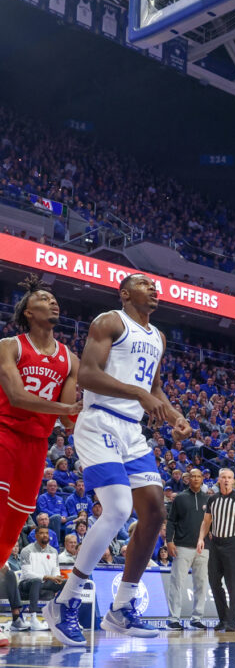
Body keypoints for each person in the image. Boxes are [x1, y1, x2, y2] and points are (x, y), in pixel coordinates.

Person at [47, 273, 191, 647]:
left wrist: (175, 417)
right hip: (100, 423)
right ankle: (65, 601)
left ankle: (123, 607)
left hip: (133, 432)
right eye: (144, 284)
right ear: (125, 294)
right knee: (117, 509)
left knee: (156, 512)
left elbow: (155, 389)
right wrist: (138, 395)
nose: (154, 288)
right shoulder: (110, 321)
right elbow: (90, 376)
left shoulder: (158, 337)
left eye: (154, 286)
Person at [0, 275, 81, 645]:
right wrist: (68, 407)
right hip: (5, 433)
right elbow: (16, 397)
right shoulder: (10, 346)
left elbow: (67, 419)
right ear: (28, 312)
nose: (54, 303)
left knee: (11, 530)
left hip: (37, 446)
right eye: (45, 299)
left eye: (54, 299)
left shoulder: (69, 358)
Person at [195, 468, 235, 632]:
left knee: (233, 585)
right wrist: (201, 538)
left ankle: (231, 621)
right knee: (214, 582)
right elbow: (206, 522)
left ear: (233, 480)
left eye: (229, 477)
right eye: (223, 477)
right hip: (215, 545)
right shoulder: (212, 499)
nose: (227, 480)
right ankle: (223, 619)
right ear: (218, 480)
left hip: (232, 545)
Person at [165, 468, 211, 630]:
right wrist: (169, 541)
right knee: (177, 582)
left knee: (201, 584)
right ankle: (173, 618)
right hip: (182, 546)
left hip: (203, 548)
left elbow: (211, 523)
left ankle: (196, 618)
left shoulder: (208, 499)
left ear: (202, 479)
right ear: (188, 479)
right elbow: (171, 521)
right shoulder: (180, 498)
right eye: (193, 476)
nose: (196, 479)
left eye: (199, 476)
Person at [19, 526, 66, 630]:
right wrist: (46, 577)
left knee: (66, 583)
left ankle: (65, 617)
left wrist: (57, 577)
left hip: (45, 583)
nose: (45, 535)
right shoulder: (27, 550)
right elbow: (27, 574)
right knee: (36, 581)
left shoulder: (53, 551)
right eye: (41, 533)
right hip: (27, 584)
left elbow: (55, 571)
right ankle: (33, 619)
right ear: (36, 536)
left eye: (46, 533)